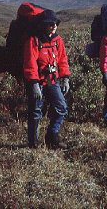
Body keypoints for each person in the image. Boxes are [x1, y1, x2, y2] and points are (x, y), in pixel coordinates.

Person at [23, 9, 70, 149]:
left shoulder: (57, 41)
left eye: (55, 23)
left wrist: (65, 77)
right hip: (37, 81)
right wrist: (34, 83)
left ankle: (52, 136)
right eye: (51, 24)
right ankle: (33, 142)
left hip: (50, 80)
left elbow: (62, 60)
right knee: (36, 111)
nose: (54, 26)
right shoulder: (34, 40)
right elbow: (30, 63)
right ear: (44, 24)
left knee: (61, 107)